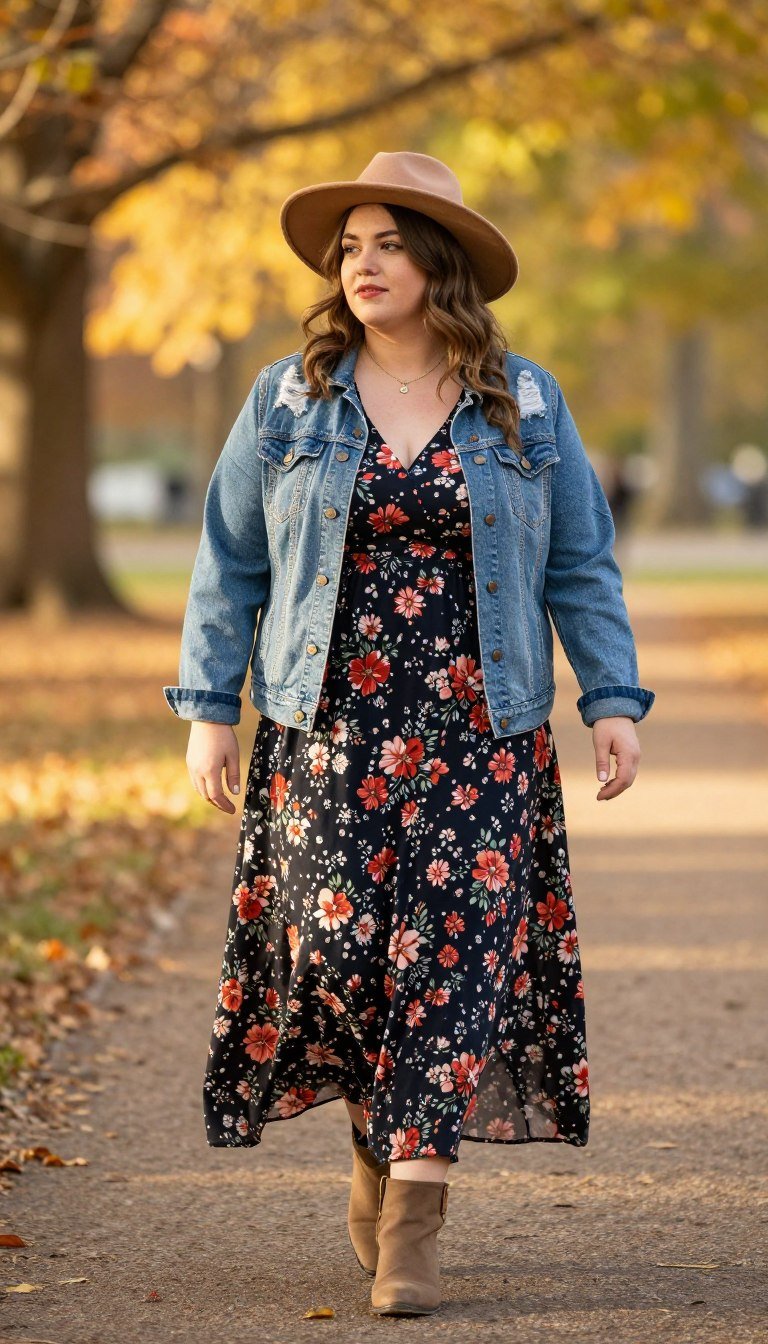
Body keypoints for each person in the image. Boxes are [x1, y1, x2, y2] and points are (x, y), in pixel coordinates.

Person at [163, 151, 656, 1318]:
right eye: (351, 248)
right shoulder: (289, 397)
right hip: (326, 732)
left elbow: (581, 562)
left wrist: (614, 700)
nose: (364, 264)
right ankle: (376, 1147)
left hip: (479, 729)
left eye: (388, 243)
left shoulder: (521, 402)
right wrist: (206, 708)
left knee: (455, 965)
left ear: (440, 265)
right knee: (334, 966)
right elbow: (228, 563)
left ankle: (415, 1221)